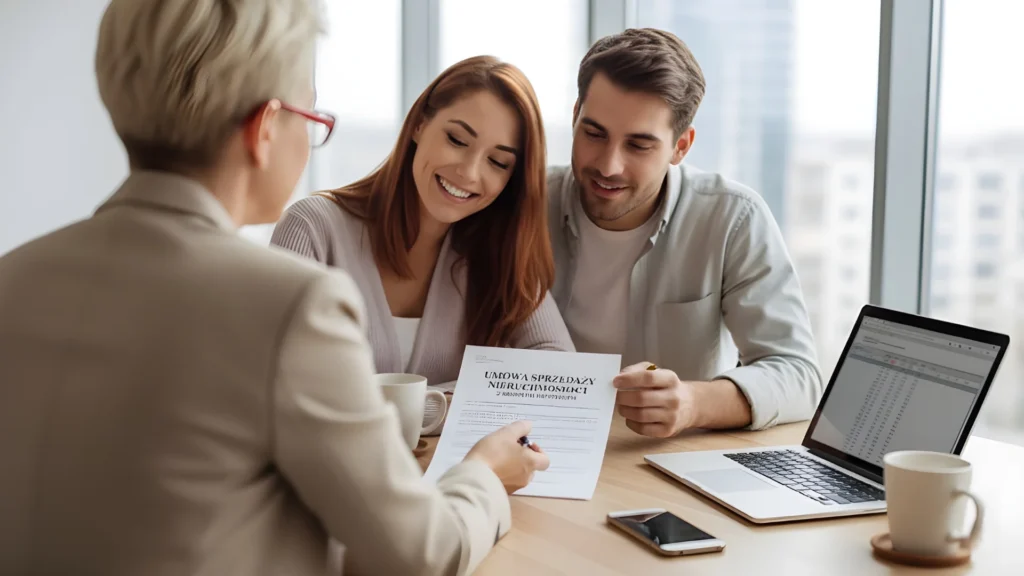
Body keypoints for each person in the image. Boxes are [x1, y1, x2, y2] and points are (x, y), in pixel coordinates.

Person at [0, 1, 548, 575]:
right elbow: (421, 553)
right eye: (311, 118)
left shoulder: (13, 279)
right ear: (265, 128)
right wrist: (483, 473)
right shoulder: (292, 303)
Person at [547, 28, 823, 438]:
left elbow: (799, 374)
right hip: (538, 446)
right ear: (575, 117)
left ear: (681, 146)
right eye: (594, 133)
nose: (608, 165)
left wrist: (693, 403)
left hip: (663, 458)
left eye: (639, 145)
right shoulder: (523, 205)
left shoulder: (732, 218)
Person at [271, 56, 574, 403]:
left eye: (497, 162)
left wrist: (432, 404)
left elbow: (560, 371)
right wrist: (453, 402)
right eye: (457, 140)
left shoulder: (499, 250)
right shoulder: (312, 228)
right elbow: (274, 380)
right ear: (419, 124)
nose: (469, 172)